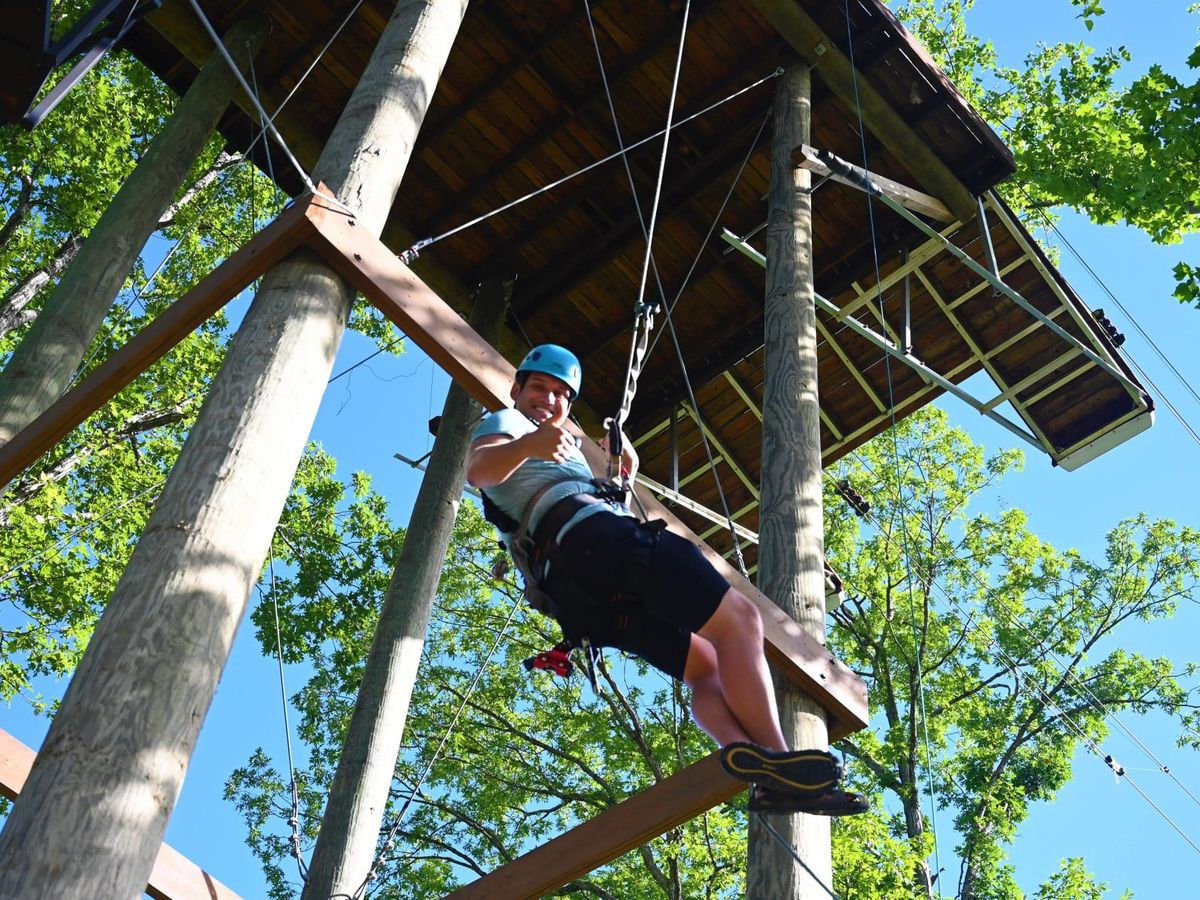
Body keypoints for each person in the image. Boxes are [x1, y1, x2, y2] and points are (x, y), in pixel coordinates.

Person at [466, 344, 866, 815]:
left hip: (581, 594)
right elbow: (479, 470)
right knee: (738, 620)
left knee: (706, 668)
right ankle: (781, 762)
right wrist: (531, 444)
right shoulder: (508, 423)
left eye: (560, 395)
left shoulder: (559, 447)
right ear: (516, 389)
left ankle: (757, 763)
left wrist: (618, 473)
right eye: (538, 388)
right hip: (595, 544)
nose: (549, 400)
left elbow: (548, 486)